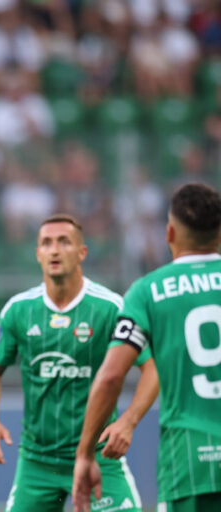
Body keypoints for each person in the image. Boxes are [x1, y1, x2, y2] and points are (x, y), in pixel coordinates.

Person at [0, 214, 159, 512]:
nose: (55, 250)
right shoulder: (18, 310)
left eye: (64, 242)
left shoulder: (110, 308)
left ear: (82, 252)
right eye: (46, 243)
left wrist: (128, 421)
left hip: (100, 456)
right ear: (37, 254)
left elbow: (151, 370)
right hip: (38, 463)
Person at [73, 183, 221, 512]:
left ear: (169, 233)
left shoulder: (148, 291)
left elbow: (112, 376)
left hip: (188, 462)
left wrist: (85, 453)